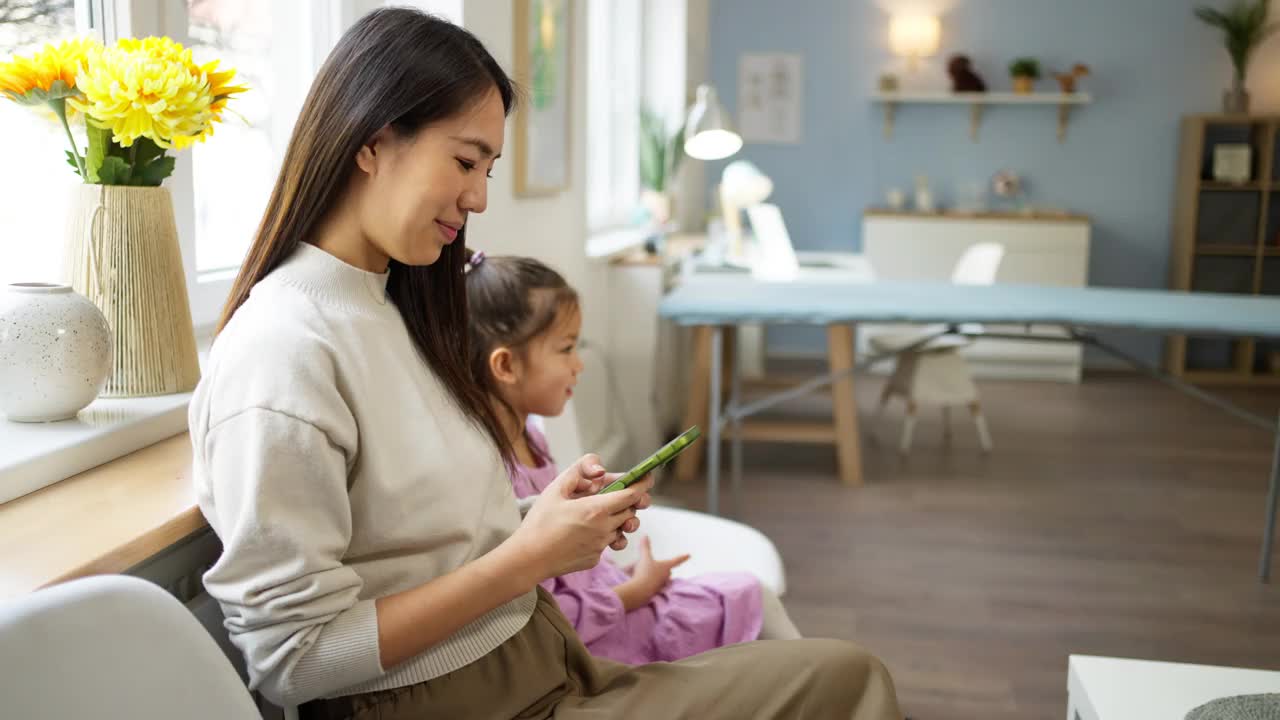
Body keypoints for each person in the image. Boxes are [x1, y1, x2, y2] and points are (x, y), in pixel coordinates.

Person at [190, 7, 903, 718]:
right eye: (466, 160)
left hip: (541, 656)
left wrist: (546, 517)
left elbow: (424, 541)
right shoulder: (281, 355)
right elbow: (294, 660)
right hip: (449, 700)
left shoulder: (395, 309)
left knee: (839, 673)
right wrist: (530, 556)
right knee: (849, 683)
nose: (479, 197)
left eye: (490, 168)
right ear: (372, 142)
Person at [464, 252, 804, 664]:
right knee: (753, 597)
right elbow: (546, 616)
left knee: (753, 599)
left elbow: (568, 569)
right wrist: (636, 590)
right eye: (566, 349)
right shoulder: (492, 475)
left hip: (613, 602)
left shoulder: (532, 439)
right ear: (506, 365)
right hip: (596, 645)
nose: (579, 363)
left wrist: (615, 569)